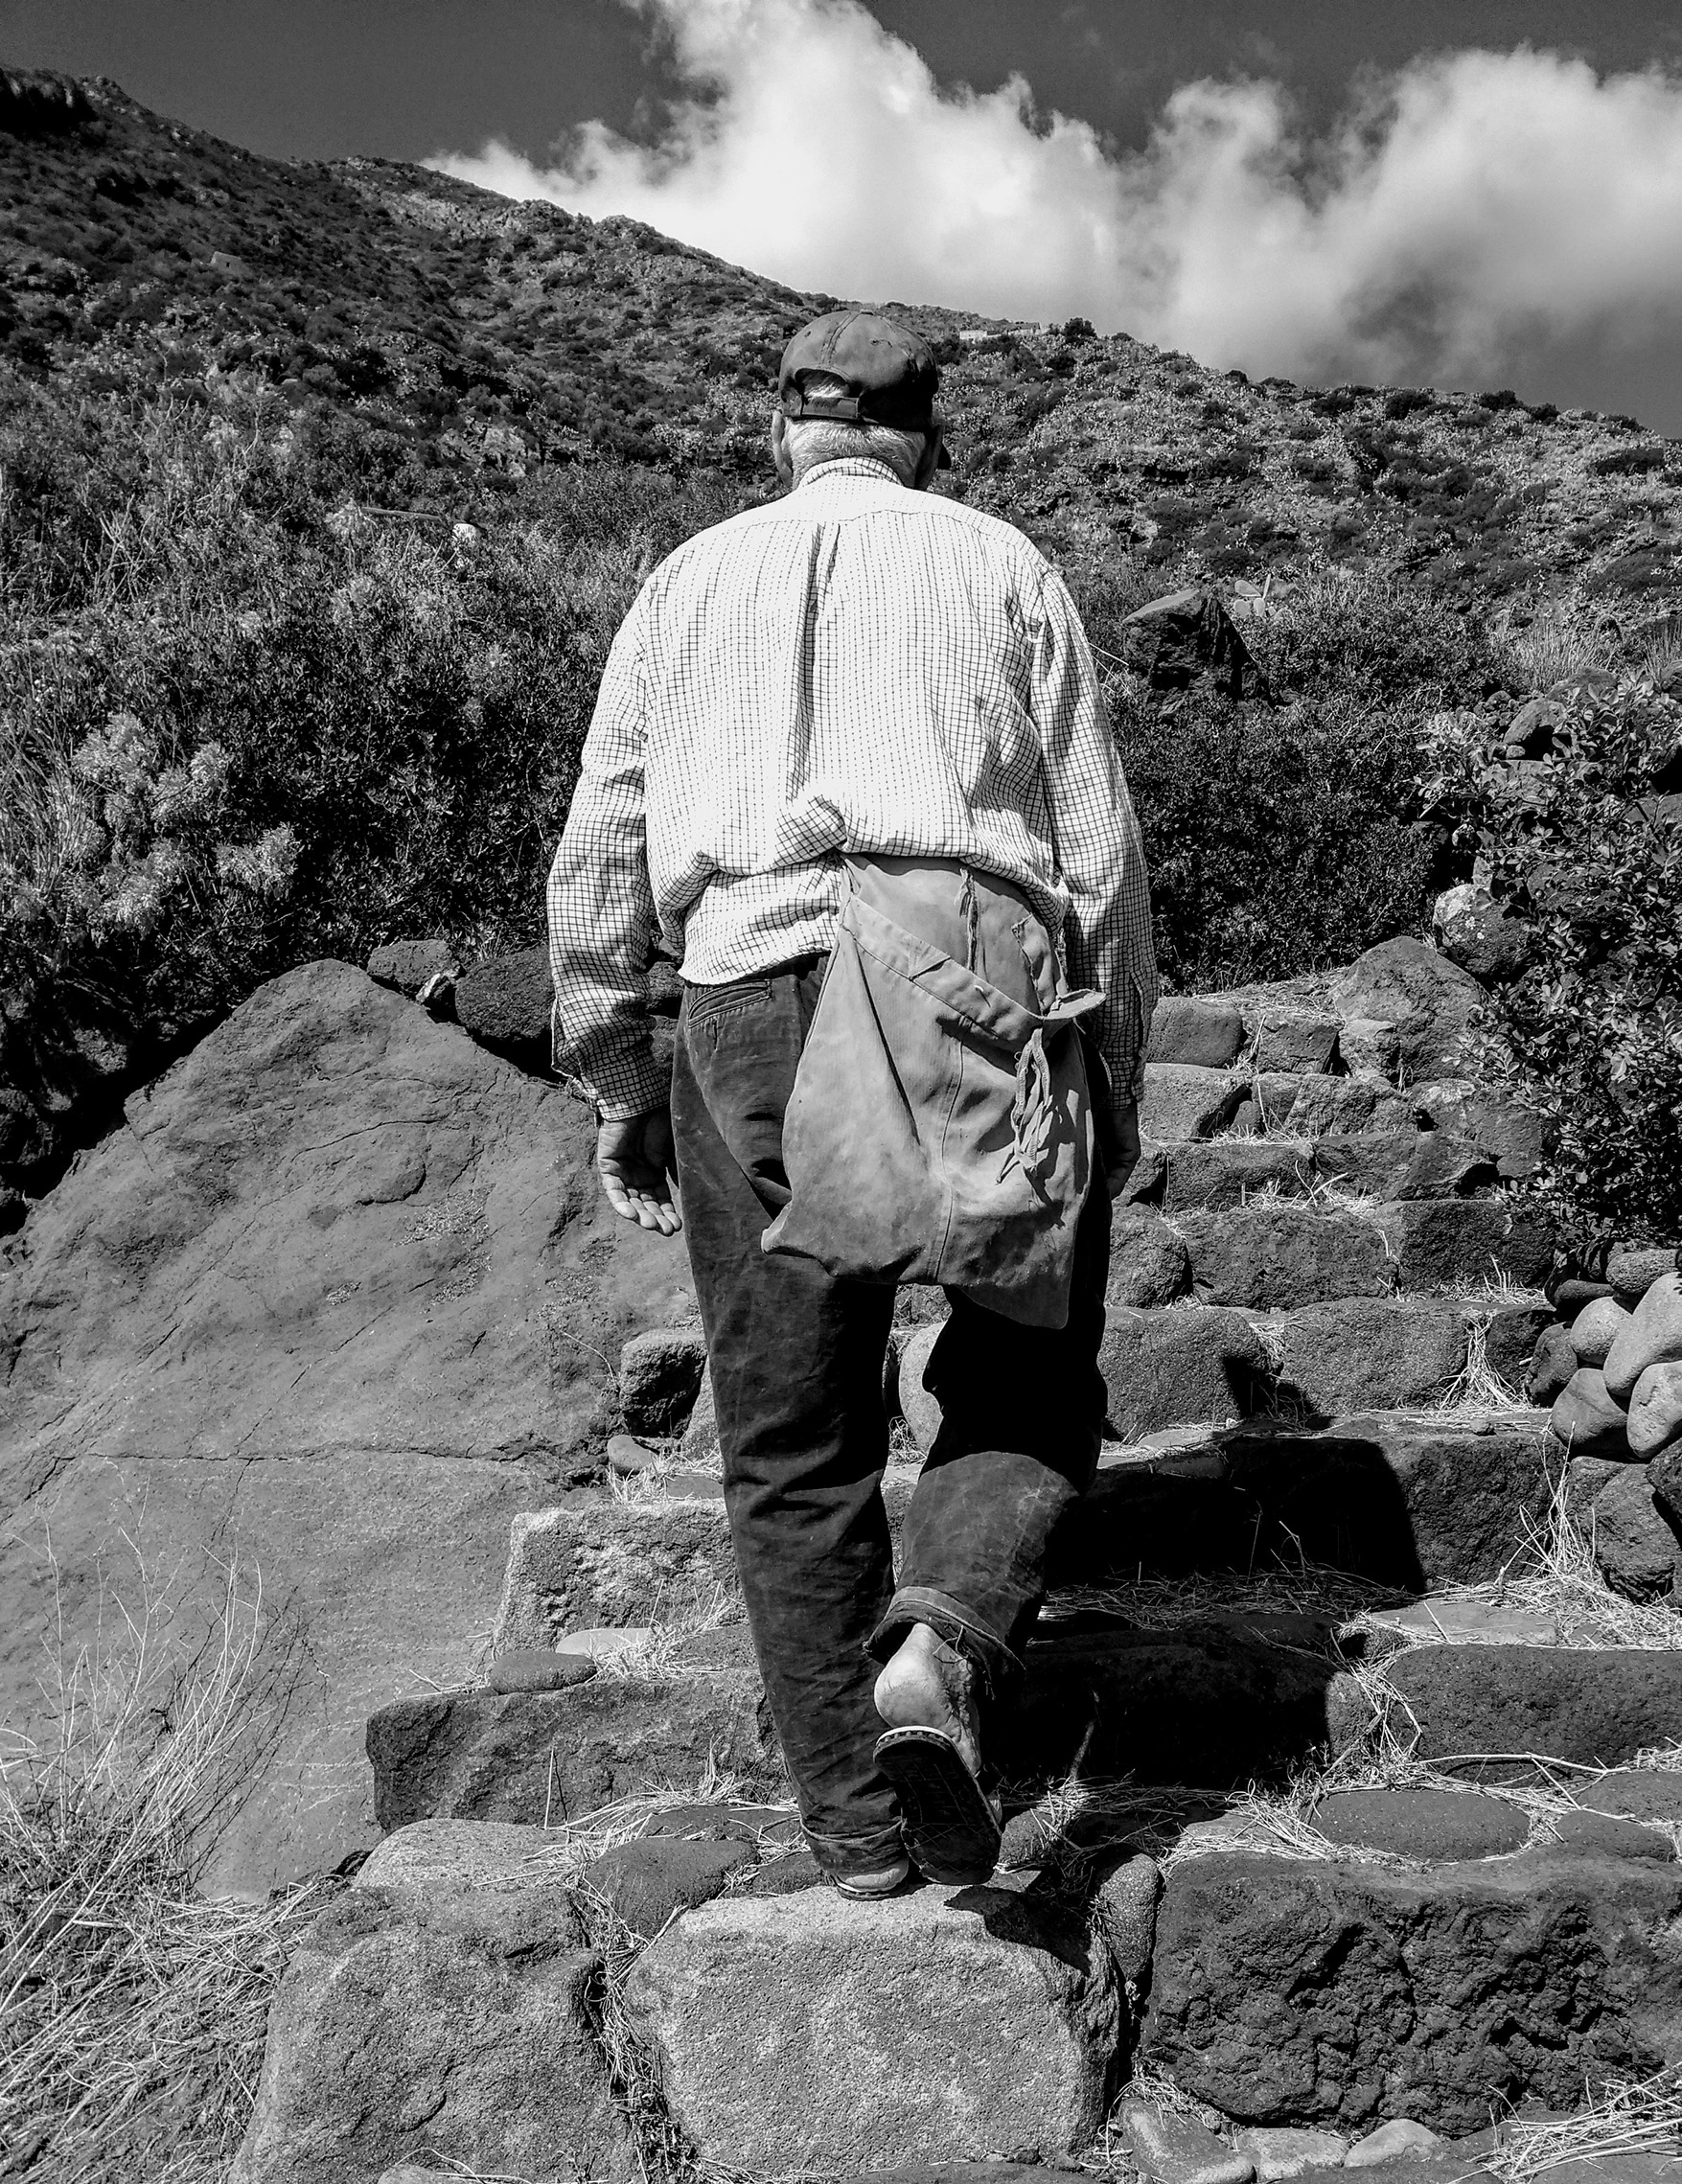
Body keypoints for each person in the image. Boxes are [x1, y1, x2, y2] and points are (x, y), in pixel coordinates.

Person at [546, 308, 1156, 1896]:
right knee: (1029, 1358)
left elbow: (602, 845)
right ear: (923, 434)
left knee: (793, 1437)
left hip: (744, 990)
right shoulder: (1002, 563)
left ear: (784, 431)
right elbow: (1098, 854)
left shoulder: (685, 583)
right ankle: (942, 1646)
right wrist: (1118, 1086)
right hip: (964, 974)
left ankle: (858, 1839)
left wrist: (620, 1073)